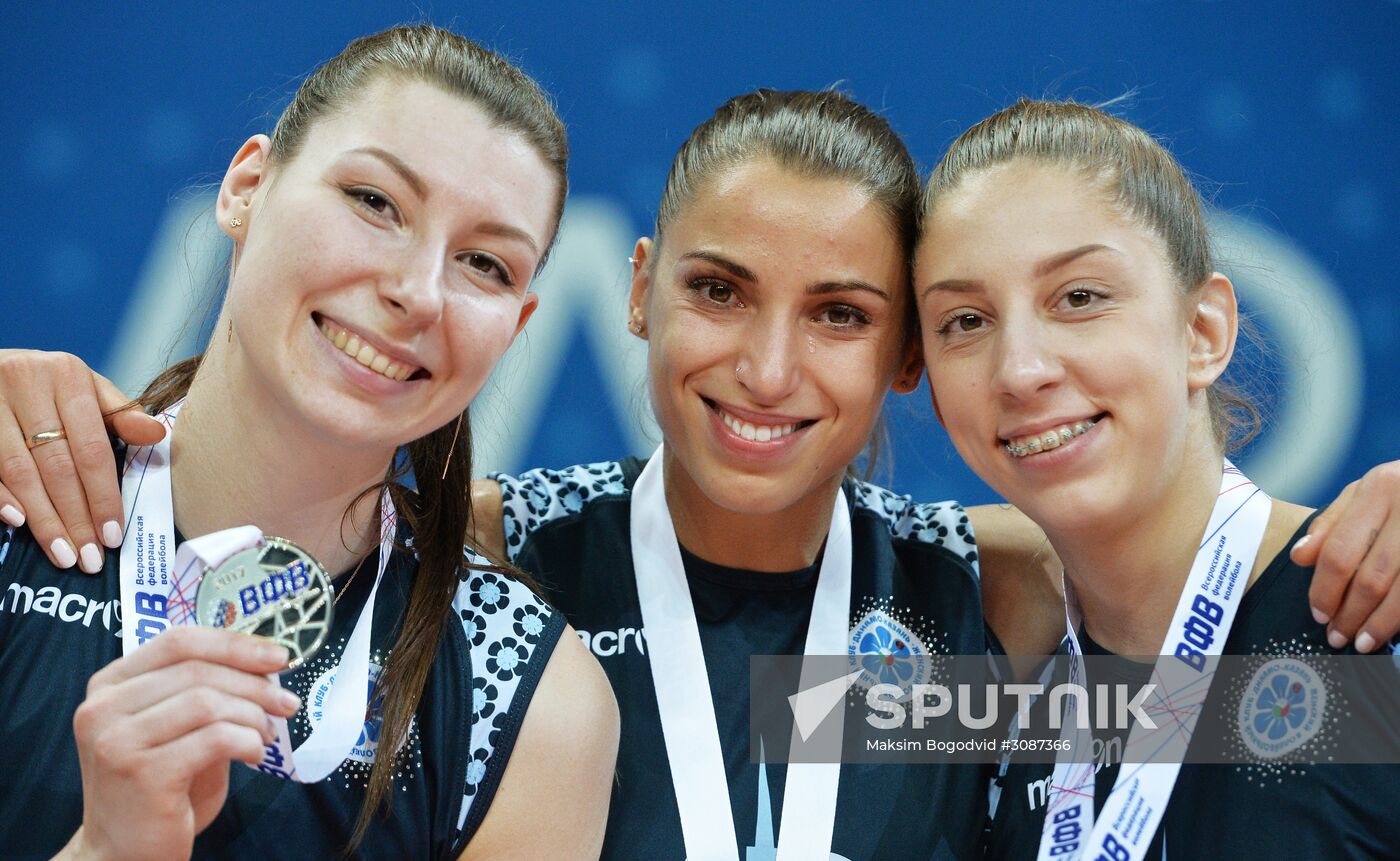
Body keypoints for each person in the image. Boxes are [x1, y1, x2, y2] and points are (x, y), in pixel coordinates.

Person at [7, 87, 1400, 860]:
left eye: (844, 315)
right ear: (639, 293)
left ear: (896, 358)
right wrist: (53, 403)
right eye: (722, 290)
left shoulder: (974, 601)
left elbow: (1213, 685)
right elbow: (289, 469)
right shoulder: (507, 566)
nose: (771, 370)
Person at [0, 24, 618, 861]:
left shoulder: (530, 694)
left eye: (485, 263)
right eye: (375, 203)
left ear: (517, 326)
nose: (417, 292)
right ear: (247, 186)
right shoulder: (16, 501)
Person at [915, 98, 1400, 859]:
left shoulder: (1374, 619)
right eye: (965, 321)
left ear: (1202, 333)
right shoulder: (970, 684)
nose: (1021, 369)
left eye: (1079, 297)